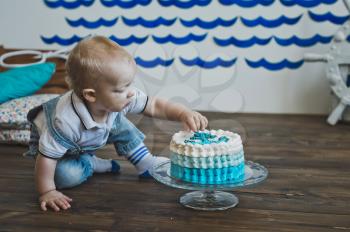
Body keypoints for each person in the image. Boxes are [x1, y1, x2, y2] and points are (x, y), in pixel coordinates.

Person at [24, 35, 208, 212]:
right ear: (91, 95)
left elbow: (155, 105)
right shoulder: (64, 121)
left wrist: (184, 113)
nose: (130, 93)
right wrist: (47, 191)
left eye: (130, 84)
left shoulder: (118, 98)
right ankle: (90, 163)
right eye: (121, 89)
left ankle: (145, 162)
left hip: (89, 137)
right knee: (65, 176)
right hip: (58, 151)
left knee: (120, 123)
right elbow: (47, 158)